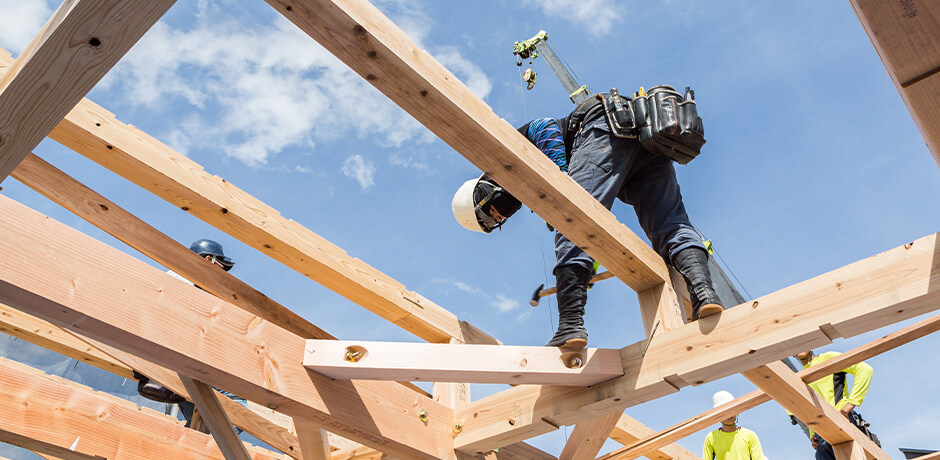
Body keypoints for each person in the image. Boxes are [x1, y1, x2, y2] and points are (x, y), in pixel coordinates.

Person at [452, 104, 723, 348]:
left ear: (482, 190)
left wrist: (559, 181)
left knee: (570, 219)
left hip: (603, 128)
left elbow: (542, 125)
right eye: (495, 223)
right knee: (671, 225)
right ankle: (703, 293)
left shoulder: (503, 157)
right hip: (642, 142)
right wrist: (584, 272)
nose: (499, 217)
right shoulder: (524, 184)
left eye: (489, 214)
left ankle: (570, 326)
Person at [135, 239, 244, 432]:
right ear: (208, 259)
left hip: (165, 364)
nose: (222, 274)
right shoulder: (186, 281)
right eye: (220, 267)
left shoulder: (173, 280)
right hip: (176, 365)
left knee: (202, 422)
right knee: (238, 407)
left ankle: (189, 443)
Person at [794, 350, 875, 460]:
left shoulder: (828, 358)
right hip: (823, 434)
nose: (799, 348)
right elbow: (810, 405)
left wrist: (852, 403)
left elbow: (865, 369)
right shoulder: (799, 377)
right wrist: (813, 434)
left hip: (843, 420)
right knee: (821, 452)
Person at [703, 391, 766, 460]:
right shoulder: (711, 437)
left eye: (730, 410)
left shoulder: (750, 435)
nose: (728, 415)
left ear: (737, 412)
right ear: (717, 415)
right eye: (723, 411)